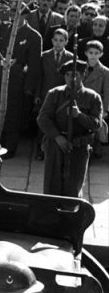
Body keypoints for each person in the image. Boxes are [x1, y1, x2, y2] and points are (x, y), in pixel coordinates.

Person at [36, 58, 102, 197]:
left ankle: (70, 214)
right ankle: (50, 215)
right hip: (56, 144)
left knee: (73, 185)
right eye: (68, 75)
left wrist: (79, 115)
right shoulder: (54, 94)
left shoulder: (93, 97)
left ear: (83, 75)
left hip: (78, 146)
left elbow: (96, 124)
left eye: (76, 74)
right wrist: (57, 137)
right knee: (51, 185)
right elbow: (43, 118)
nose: (71, 78)